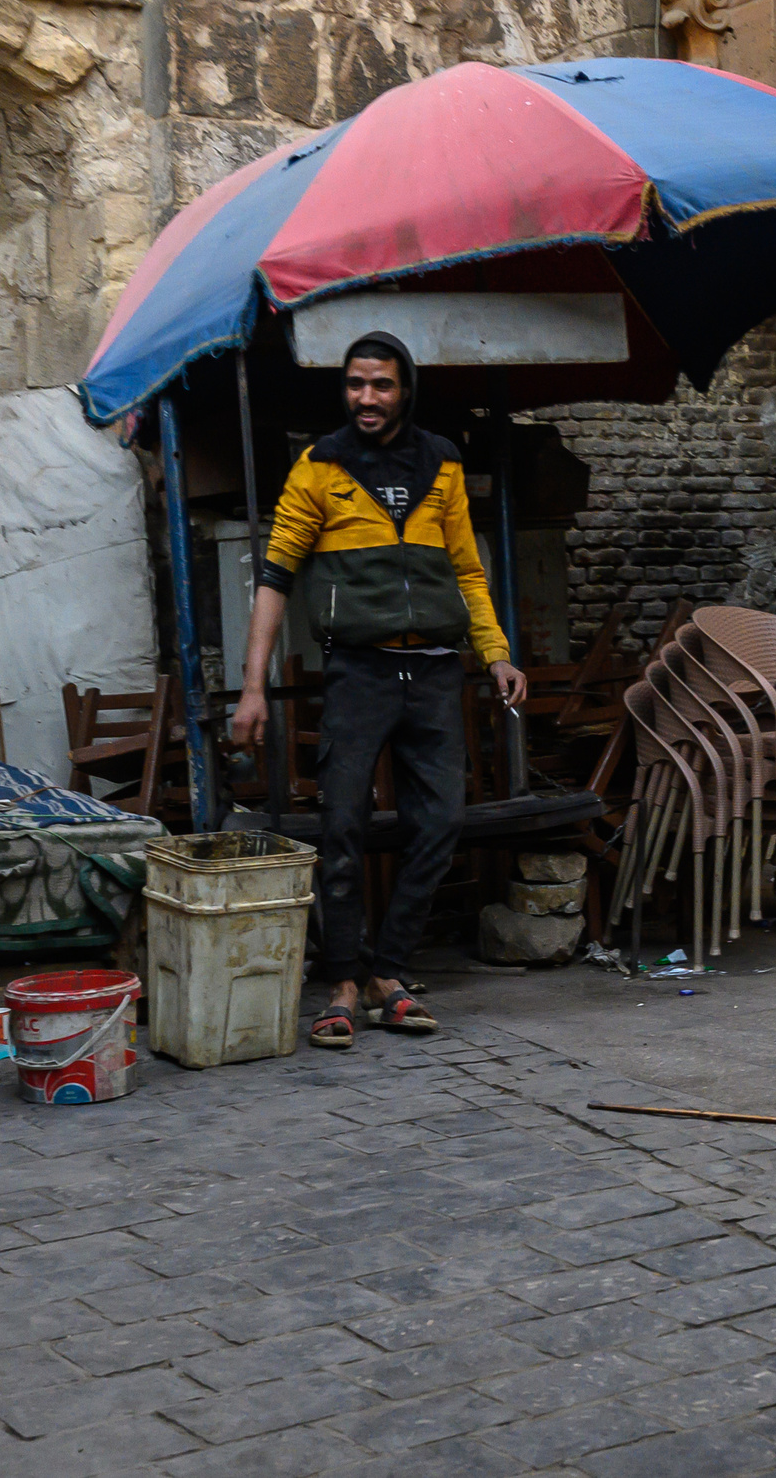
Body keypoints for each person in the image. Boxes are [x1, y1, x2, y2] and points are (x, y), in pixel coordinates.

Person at [229, 333, 526, 1051]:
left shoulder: (442, 462)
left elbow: (467, 569)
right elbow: (275, 577)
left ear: (405, 390)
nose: (367, 397)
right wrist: (253, 688)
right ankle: (341, 983)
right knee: (342, 827)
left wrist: (495, 653)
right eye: (356, 384)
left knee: (441, 822)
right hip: (358, 673)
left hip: (434, 672)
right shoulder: (320, 466)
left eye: (382, 385)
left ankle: (388, 973)